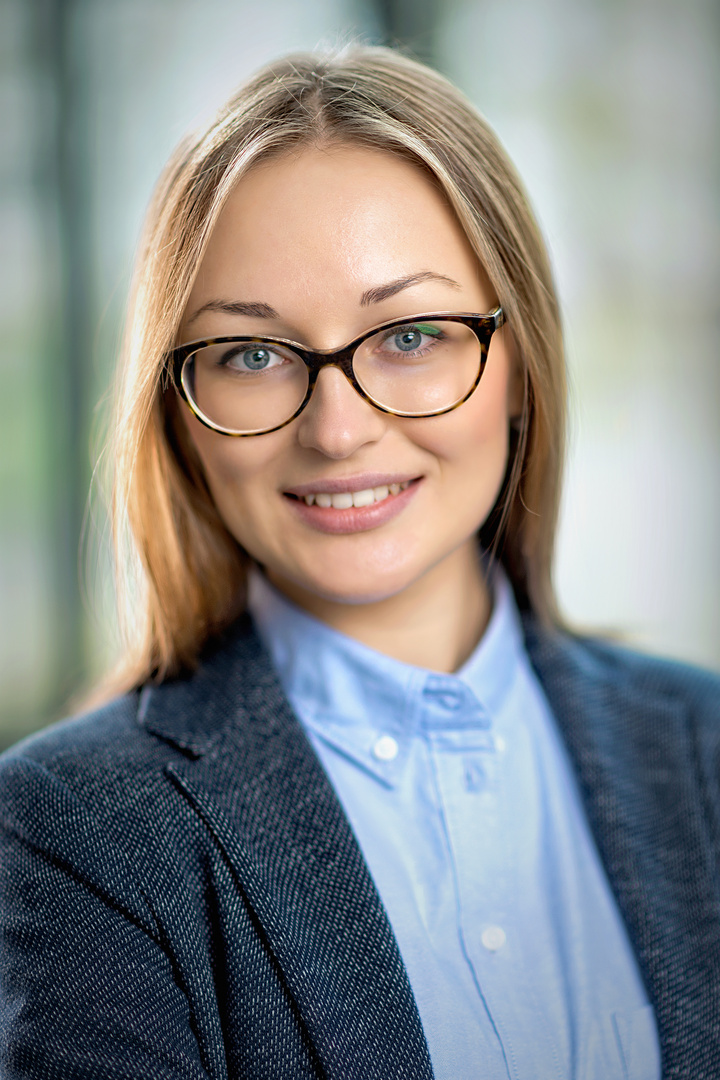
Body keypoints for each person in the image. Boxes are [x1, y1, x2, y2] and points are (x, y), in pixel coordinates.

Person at [0, 45, 717, 1080]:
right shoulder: (76, 836)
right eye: (251, 356)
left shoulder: (705, 749)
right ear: (180, 414)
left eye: (412, 335)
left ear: (518, 368)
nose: (337, 431)